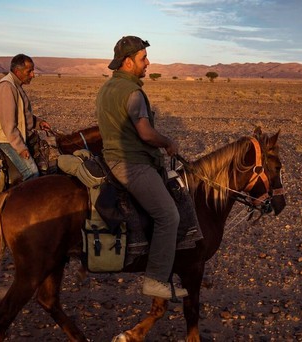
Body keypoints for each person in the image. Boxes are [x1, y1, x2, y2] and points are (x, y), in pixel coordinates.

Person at [95, 36, 187, 299]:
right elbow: (146, 134)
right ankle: (156, 279)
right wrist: (167, 142)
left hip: (111, 157)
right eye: (143, 58)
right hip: (131, 163)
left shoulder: (106, 88)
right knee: (169, 215)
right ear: (128, 61)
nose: (147, 63)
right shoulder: (132, 93)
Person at [0, 54, 51, 183]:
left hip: (13, 135)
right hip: (6, 139)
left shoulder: (16, 85)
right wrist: (21, 148)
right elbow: (8, 125)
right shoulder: (7, 87)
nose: (33, 75)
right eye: (29, 71)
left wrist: (38, 123)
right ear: (17, 71)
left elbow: (21, 115)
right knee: (32, 173)